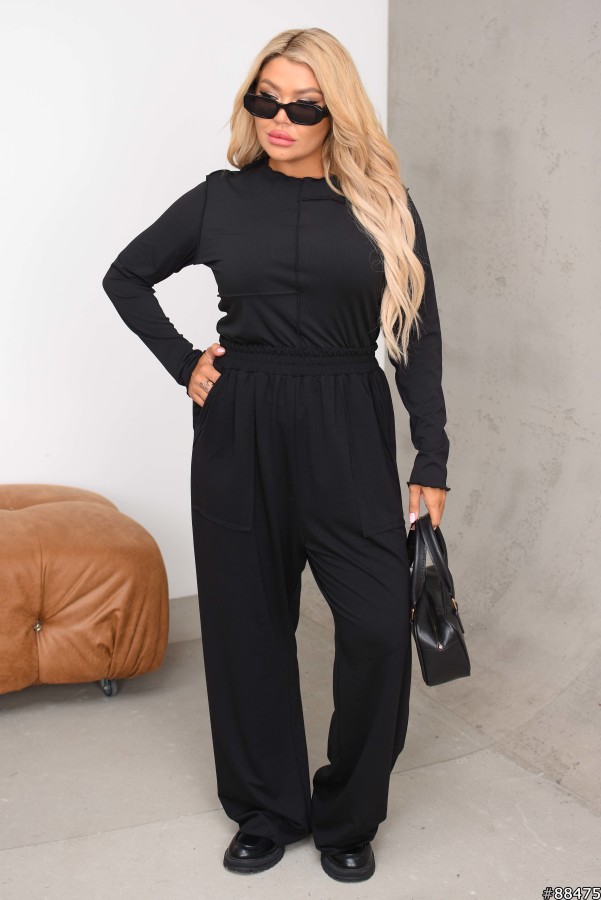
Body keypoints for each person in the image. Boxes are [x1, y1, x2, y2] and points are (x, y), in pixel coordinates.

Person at [102, 27, 450, 884]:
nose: (279, 118)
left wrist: (430, 455)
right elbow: (126, 275)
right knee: (248, 628)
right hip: (241, 422)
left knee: (375, 627)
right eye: (265, 99)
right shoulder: (219, 199)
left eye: (303, 105)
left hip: (346, 422)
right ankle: (266, 810)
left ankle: (348, 814)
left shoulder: (383, 203)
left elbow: (417, 335)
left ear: (337, 112)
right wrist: (185, 362)